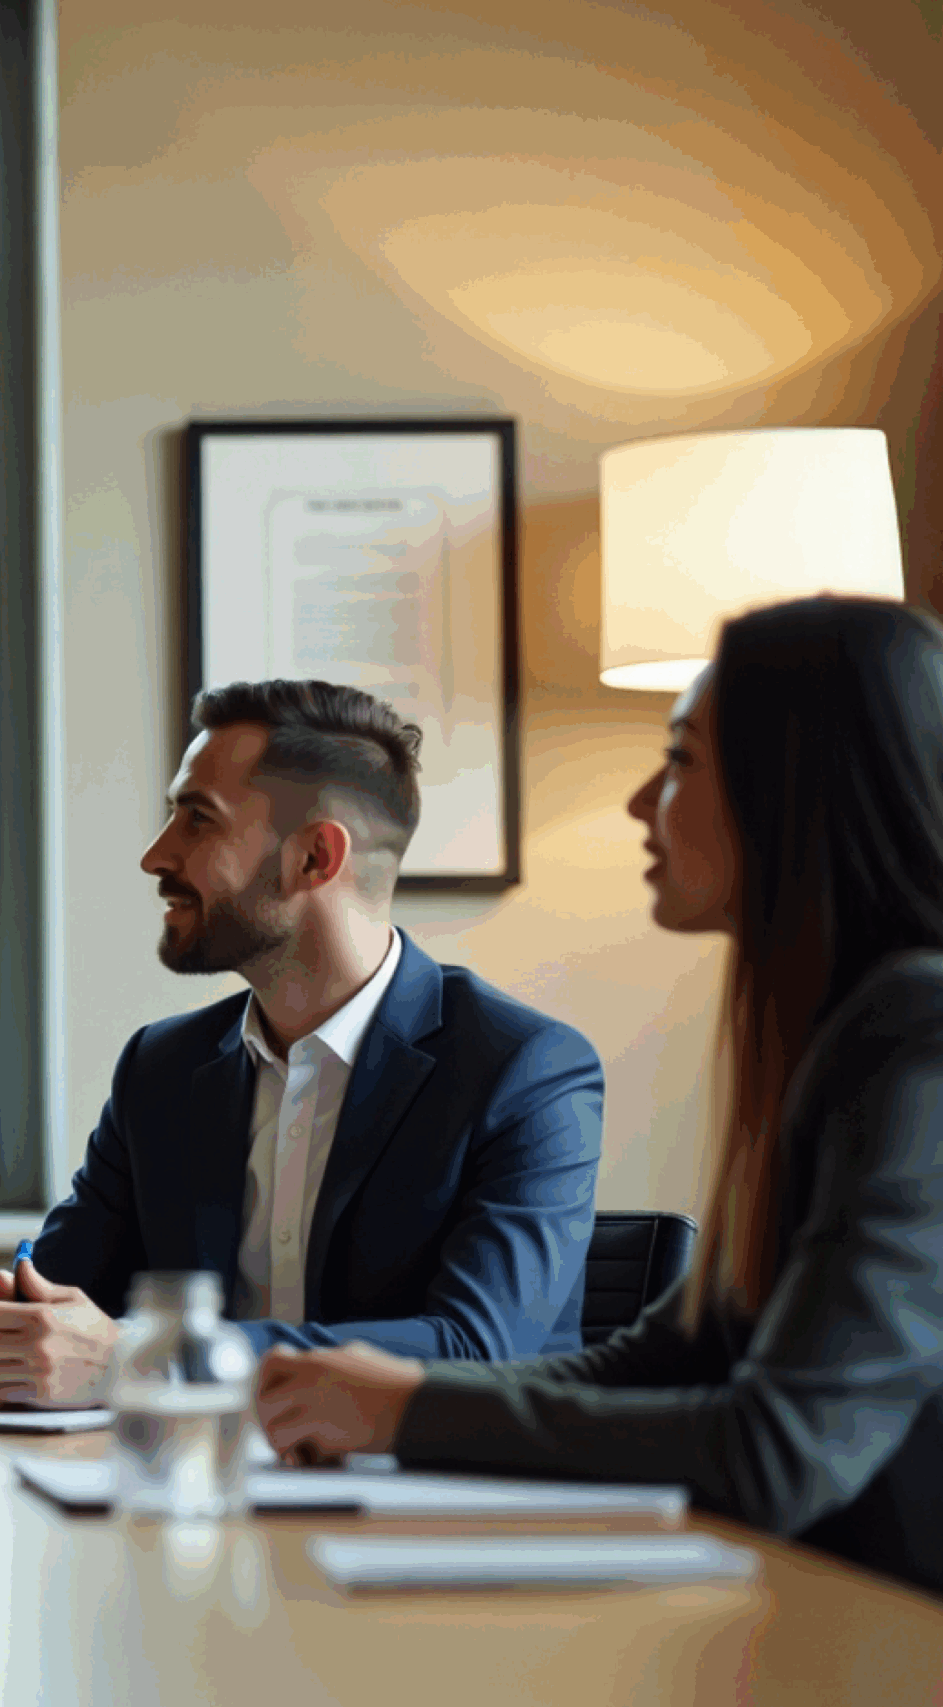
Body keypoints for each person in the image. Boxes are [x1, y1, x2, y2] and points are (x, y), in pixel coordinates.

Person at [258, 597, 943, 1598]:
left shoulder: (915, 1035)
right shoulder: (828, 1038)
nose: (640, 802)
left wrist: (406, 1412)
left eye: (680, 759)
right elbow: (658, 1361)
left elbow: (776, 1451)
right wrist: (387, 1398)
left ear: (793, 786)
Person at [0, 679, 604, 1408]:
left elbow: (475, 1348)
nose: (156, 855)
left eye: (197, 820)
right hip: (185, 1499)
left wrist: (143, 1356)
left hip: (429, 1510)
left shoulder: (524, 1071)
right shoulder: (161, 1072)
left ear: (315, 857)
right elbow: (30, 1307)